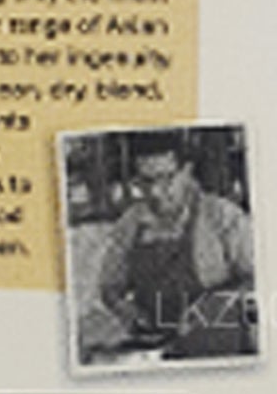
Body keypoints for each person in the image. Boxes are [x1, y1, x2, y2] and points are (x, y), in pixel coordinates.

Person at [86, 137, 256, 359]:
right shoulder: (131, 224)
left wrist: (215, 304)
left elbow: (258, 278)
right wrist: (127, 313)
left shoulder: (222, 216)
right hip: (160, 348)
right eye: (145, 182)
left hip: (220, 347)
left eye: (166, 179)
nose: (155, 192)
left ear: (186, 172)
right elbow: (110, 288)